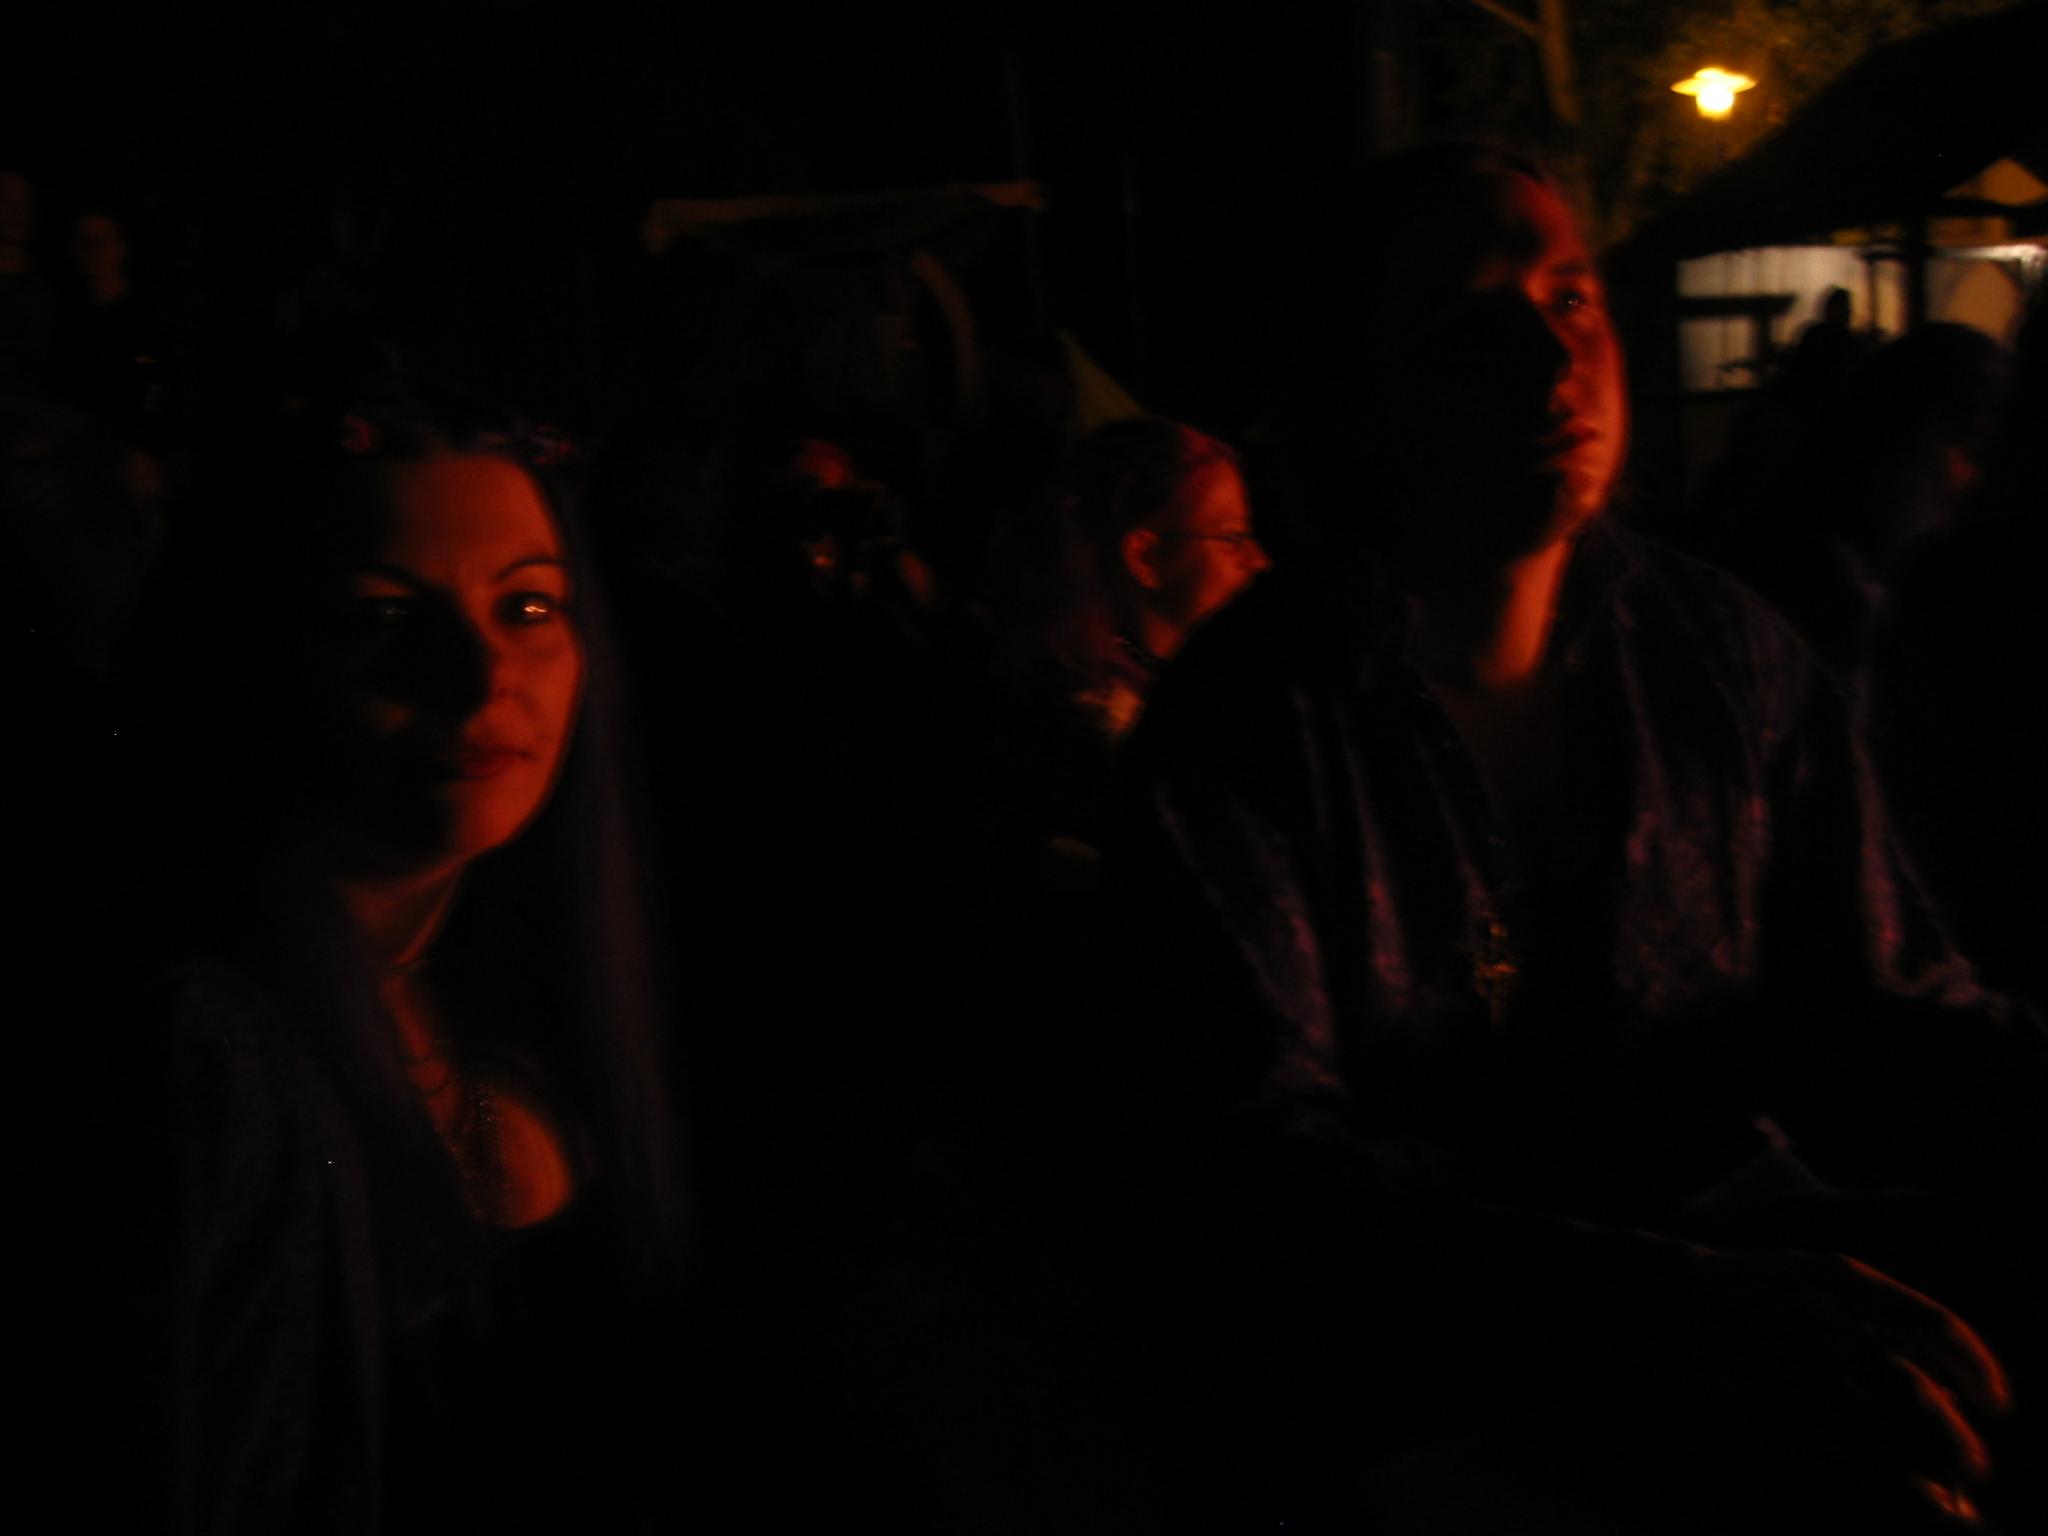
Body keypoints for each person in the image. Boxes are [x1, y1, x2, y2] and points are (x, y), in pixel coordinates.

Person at [1107, 144, 2043, 1532]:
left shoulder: (1725, 659)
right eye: (1467, 321)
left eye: (1570, 299)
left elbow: (1881, 1008)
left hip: (1744, 1286)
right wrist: (1669, 1311)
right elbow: (1261, 1182)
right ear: (1353, 395)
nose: (1549, 359)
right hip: (1410, 1400)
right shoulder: (1244, 726)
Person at [83, 387, 685, 1533]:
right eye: (383, 616)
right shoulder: (198, 1057)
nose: (479, 674)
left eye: (527, 605)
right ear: (246, 655)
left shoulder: (511, 984)